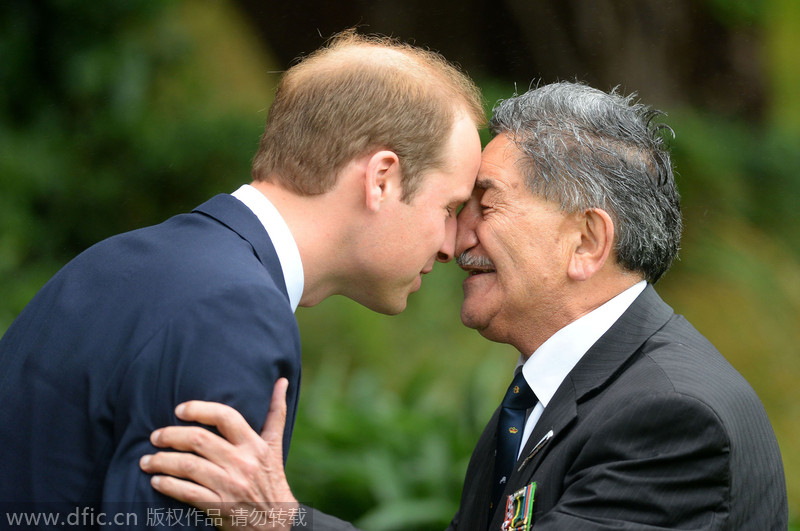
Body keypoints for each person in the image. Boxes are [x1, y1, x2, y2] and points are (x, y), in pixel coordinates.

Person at [139, 81, 788, 530]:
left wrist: (283, 519)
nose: (454, 239)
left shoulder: (672, 418)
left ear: (586, 240)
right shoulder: (551, 392)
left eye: (484, 204)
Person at [0, 30, 483, 529]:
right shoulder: (235, 314)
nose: (451, 245)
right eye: (448, 207)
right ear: (382, 179)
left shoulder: (115, 260)